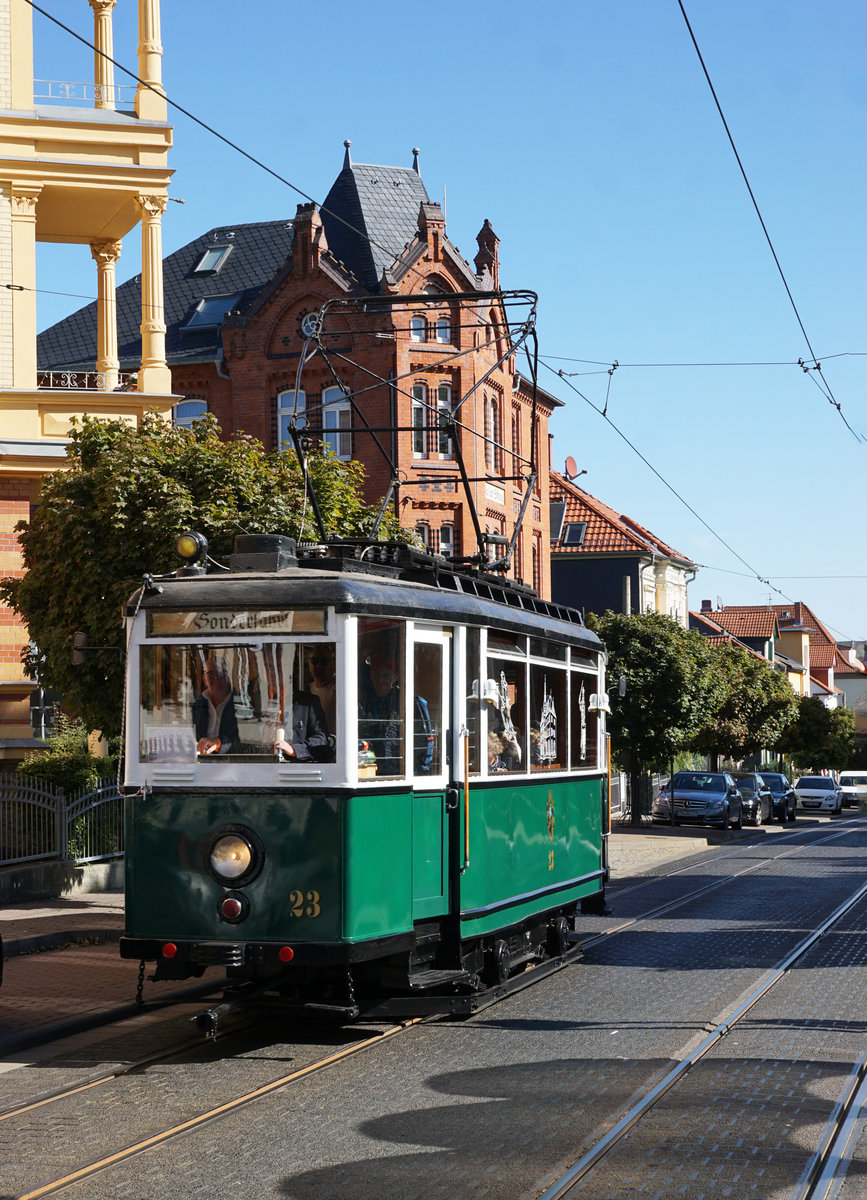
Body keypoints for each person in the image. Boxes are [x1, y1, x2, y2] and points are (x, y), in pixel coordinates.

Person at [193, 660, 239, 754]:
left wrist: (219, 743)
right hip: (202, 763)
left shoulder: (240, 704)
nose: (216, 678)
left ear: (229, 677)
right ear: (204, 679)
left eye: (221, 673)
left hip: (232, 764)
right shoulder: (198, 704)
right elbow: (191, 737)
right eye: (211, 674)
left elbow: (245, 742)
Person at [307, 646, 337, 733]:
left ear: (333, 665)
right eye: (314, 661)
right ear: (308, 664)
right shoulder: (306, 690)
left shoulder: (342, 692)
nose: (319, 666)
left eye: (325, 662)